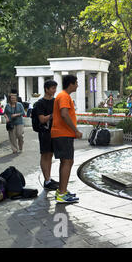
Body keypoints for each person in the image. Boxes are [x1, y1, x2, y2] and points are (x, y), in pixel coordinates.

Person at [51, 75, 82, 203]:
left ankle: (61, 190)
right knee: (67, 162)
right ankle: (62, 194)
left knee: (66, 162)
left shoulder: (62, 95)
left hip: (62, 134)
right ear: (71, 84)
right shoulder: (64, 96)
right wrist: (76, 130)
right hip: (63, 134)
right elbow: (64, 114)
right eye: (76, 83)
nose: (77, 85)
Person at [33, 80, 59, 191]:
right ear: (46, 89)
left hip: (54, 132)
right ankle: (47, 180)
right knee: (45, 155)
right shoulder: (40, 103)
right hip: (44, 133)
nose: (54, 90)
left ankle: (48, 178)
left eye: (55, 88)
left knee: (50, 155)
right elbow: (42, 119)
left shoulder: (55, 101)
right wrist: (53, 115)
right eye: (52, 88)